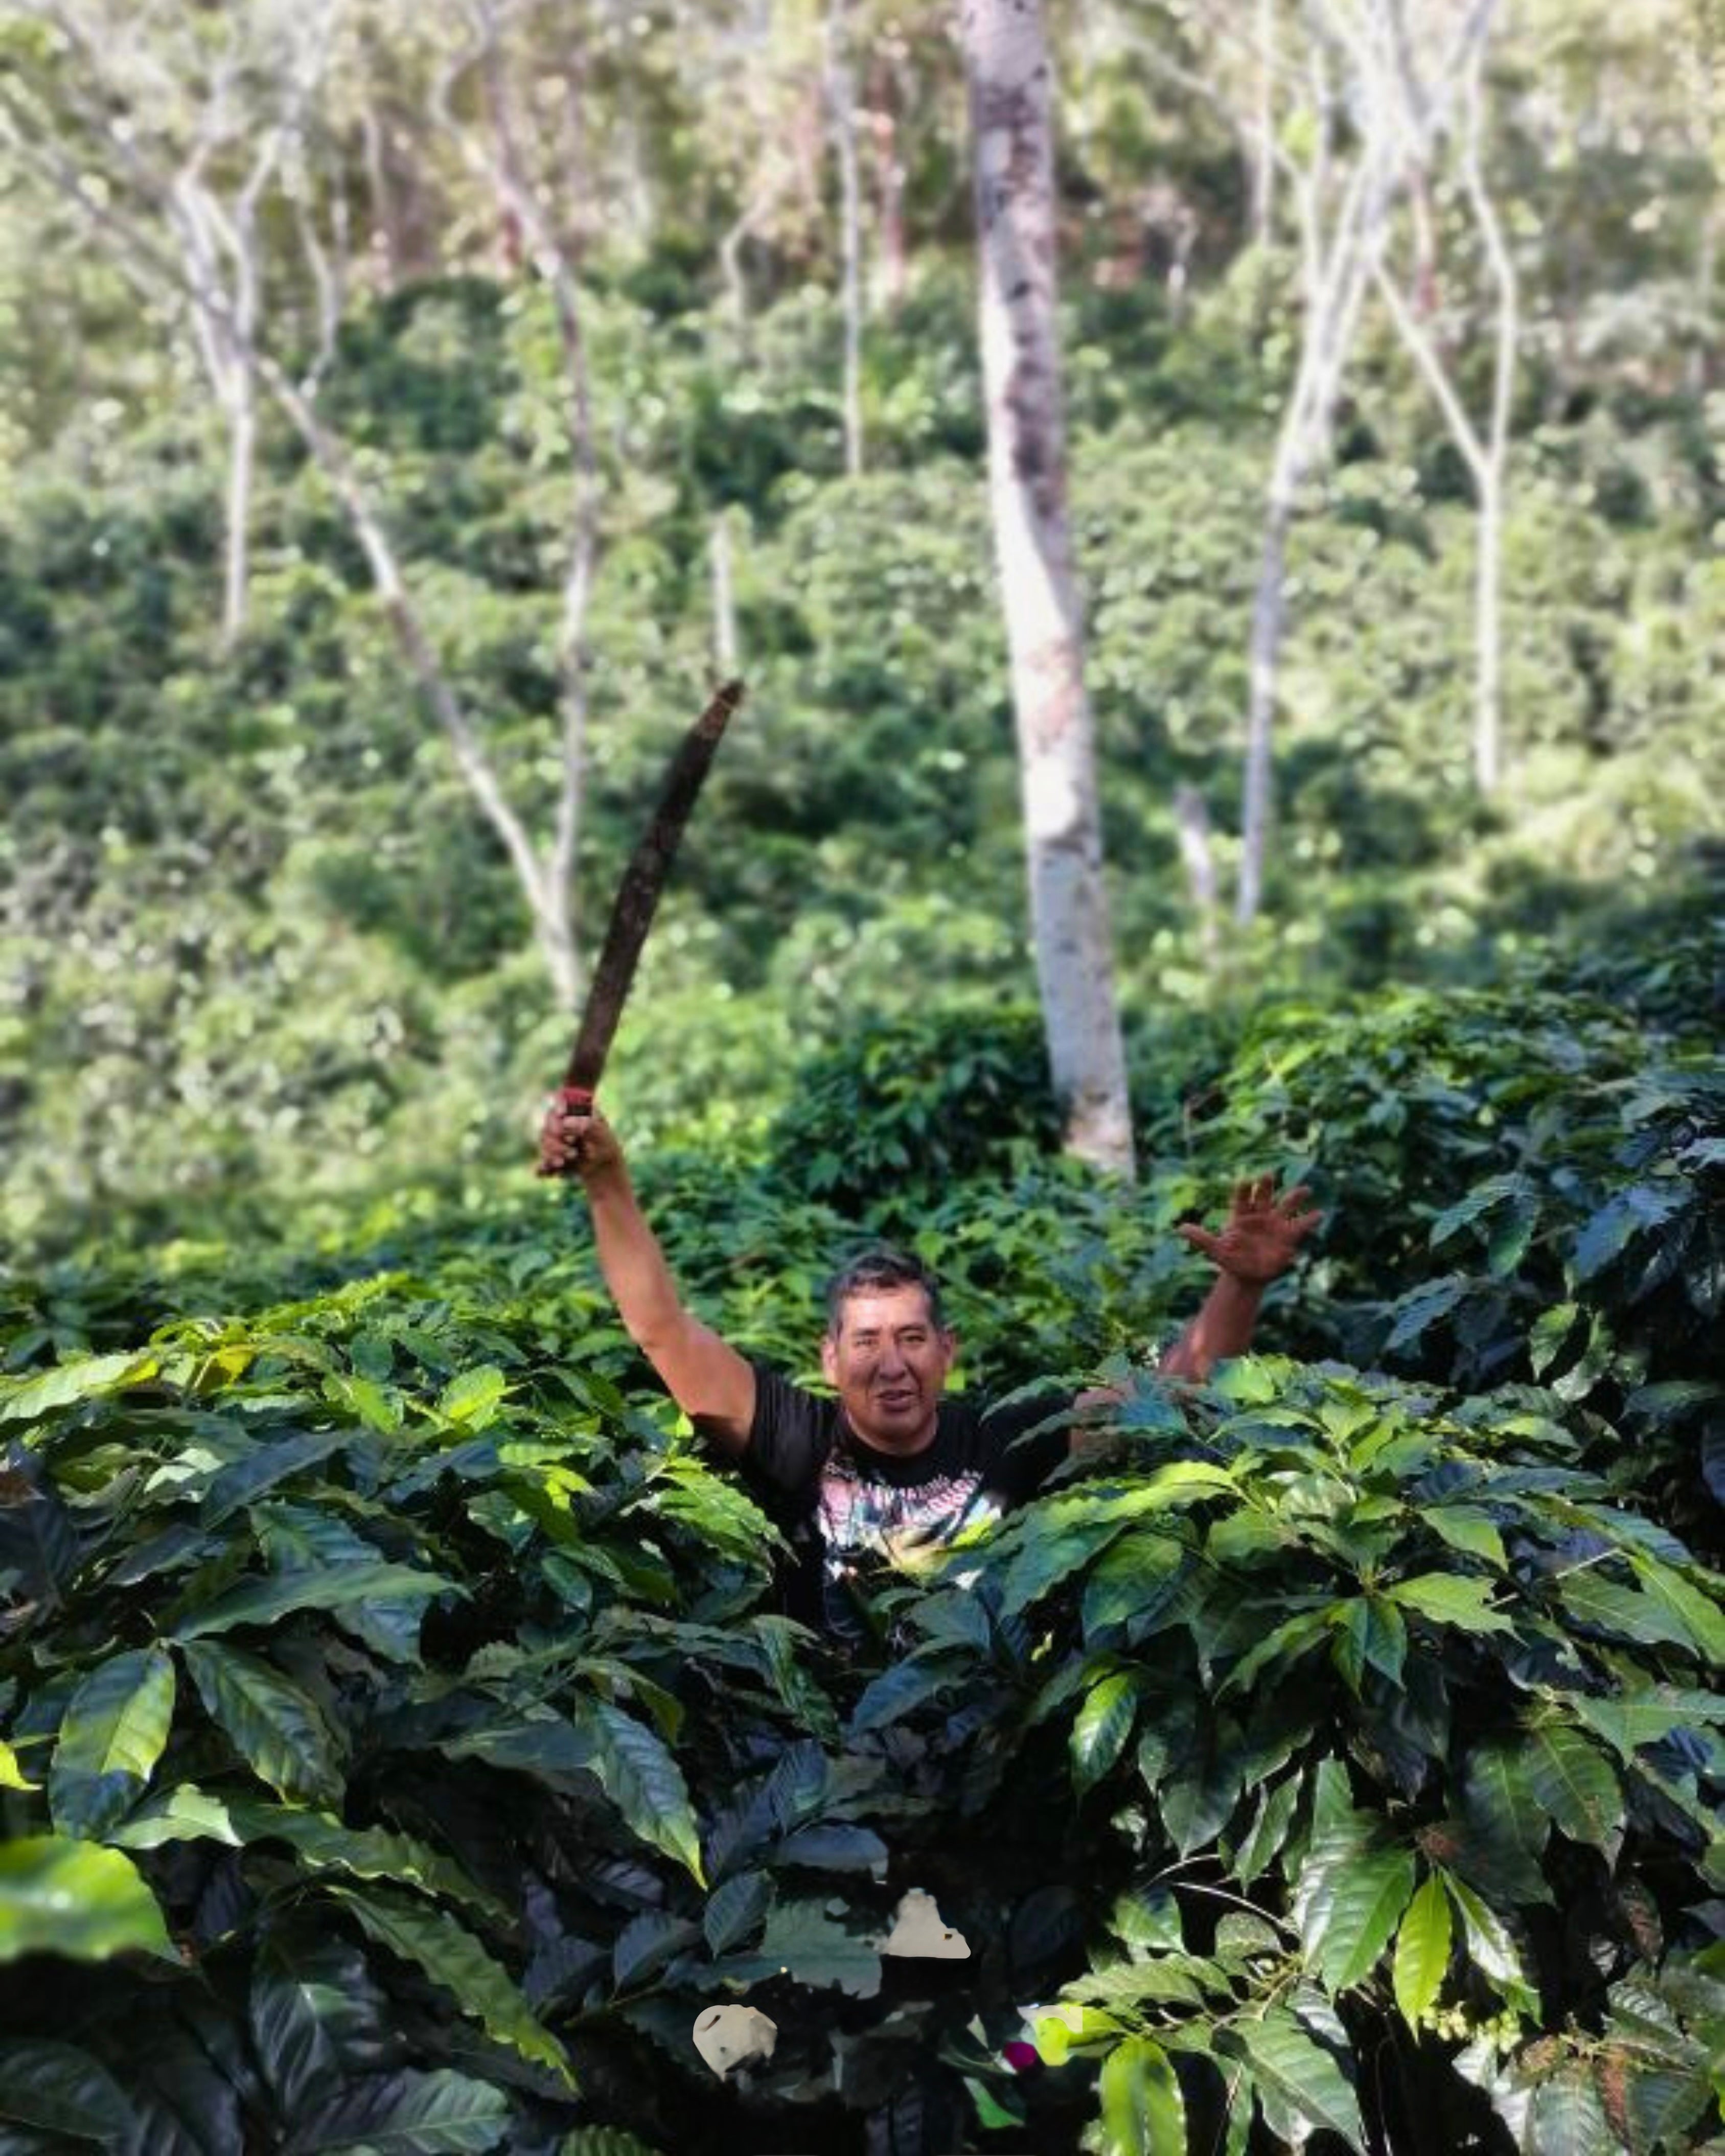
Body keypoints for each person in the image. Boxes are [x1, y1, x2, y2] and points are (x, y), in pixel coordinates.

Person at [538, 1103, 1320, 1640]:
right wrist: (608, 1181)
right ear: (830, 1357)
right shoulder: (798, 1444)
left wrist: (1239, 1286)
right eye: (868, 1341)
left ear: (948, 1351)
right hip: (832, 1764)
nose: (891, 1365)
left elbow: (1166, 1395)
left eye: (912, 1338)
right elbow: (662, 1331)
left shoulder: (1006, 1437)